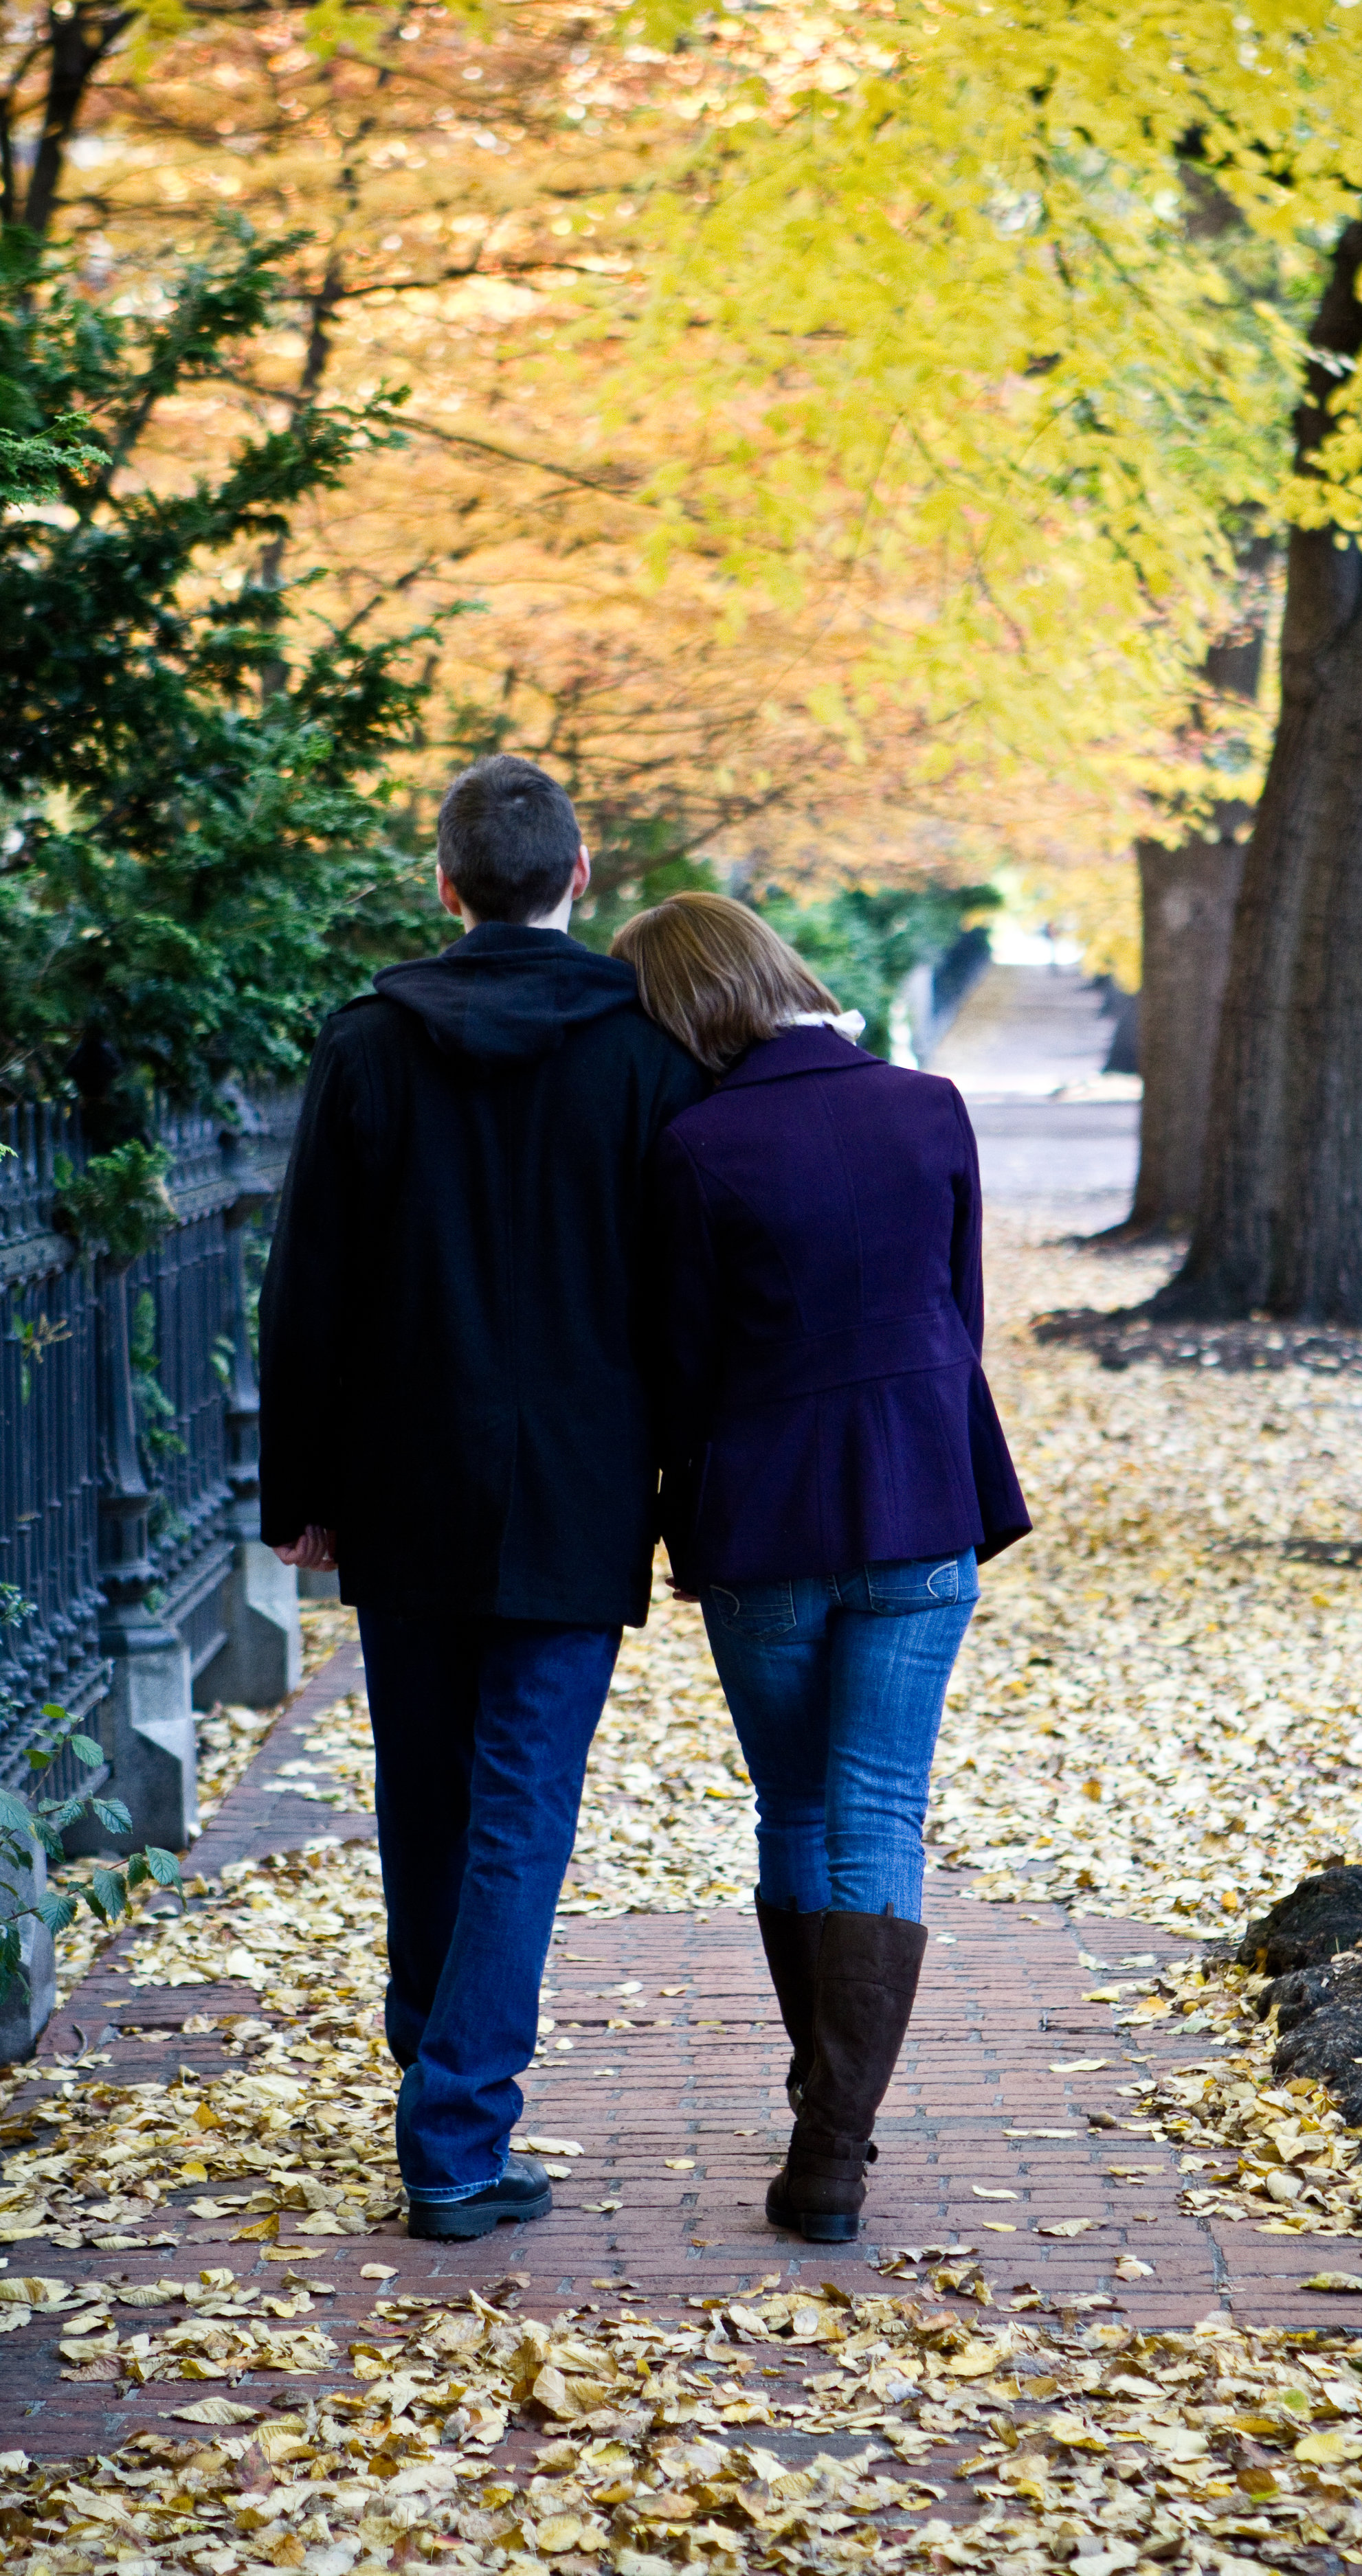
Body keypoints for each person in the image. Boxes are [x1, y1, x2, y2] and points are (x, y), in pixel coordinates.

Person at [259, 756, 704, 2241]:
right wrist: (687, 1486)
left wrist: (299, 1491)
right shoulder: (646, 1056)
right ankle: (452, 2128)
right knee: (518, 1807)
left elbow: (305, 1287)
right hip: (577, 1491)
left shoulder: (369, 1048)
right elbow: (682, 1299)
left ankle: (436, 2073)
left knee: (431, 1796)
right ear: (578, 880)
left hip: (405, 1480)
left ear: (443, 884)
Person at [612, 892, 1029, 2244]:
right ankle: (831, 2148)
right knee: (876, 1810)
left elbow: (677, 1365)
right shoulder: (928, 1108)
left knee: (793, 1806)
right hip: (918, 1498)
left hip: (765, 1519)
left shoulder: (694, 1145)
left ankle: (824, 2105)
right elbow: (955, 1312)